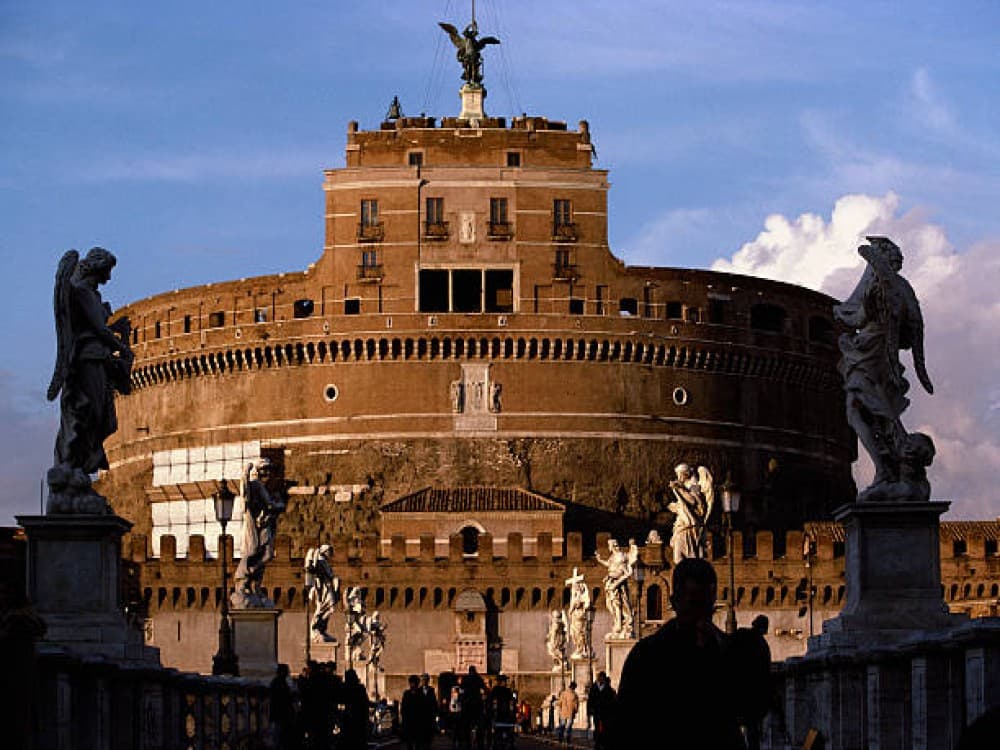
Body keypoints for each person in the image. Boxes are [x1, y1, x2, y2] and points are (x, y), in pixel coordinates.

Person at [616, 558, 742, 749]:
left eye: (707, 607)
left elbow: (747, 711)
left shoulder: (724, 649)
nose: (701, 615)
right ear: (674, 602)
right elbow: (626, 724)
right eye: (694, 605)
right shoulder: (647, 656)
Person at [234, 458, 286, 605]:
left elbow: (273, 504)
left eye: (269, 470)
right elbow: (247, 496)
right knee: (252, 551)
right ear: (258, 471)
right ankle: (245, 579)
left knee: (268, 554)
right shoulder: (256, 485)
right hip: (255, 526)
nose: (267, 473)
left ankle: (253, 579)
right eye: (264, 470)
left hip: (265, 526)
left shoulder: (267, 488)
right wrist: (245, 474)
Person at [731, 615, 773, 750]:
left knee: (746, 728)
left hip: (744, 691)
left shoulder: (743, 635)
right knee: (751, 729)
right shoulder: (762, 645)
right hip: (753, 693)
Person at [594, 540, 633, 638]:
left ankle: (619, 624)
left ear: (613, 546)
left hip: (616, 583)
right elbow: (610, 565)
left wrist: (616, 583)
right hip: (610, 582)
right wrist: (599, 560)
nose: (608, 548)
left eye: (609, 546)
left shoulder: (620, 556)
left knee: (617, 603)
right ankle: (617, 622)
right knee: (610, 604)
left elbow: (626, 573)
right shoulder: (613, 557)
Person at [339, 668, 371, 750]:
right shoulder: (360, 688)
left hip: (349, 719)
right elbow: (365, 703)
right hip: (359, 720)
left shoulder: (344, 688)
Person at [402, 675, 434, 750]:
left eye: (414, 683)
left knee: (418, 743)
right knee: (409, 743)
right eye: (411, 683)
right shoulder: (407, 693)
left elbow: (424, 709)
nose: (413, 685)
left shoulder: (421, 694)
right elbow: (404, 708)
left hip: (418, 722)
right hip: (409, 721)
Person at [458, 665, 486, 750]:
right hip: (477, 705)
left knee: (466, 726)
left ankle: (467, 744)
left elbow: (461, 690)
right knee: (479, 726)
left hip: (467, 705)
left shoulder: (465, 679)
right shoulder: (478, 678)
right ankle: (480, 744)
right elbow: (484, 688)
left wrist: (461, 700)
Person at [587, 671, 617, 750]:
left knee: (605, 728)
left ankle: (603, 743)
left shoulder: (608, 689)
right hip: (596, 711)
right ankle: (598, 743)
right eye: (600, 678)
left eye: (602, 678)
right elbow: (590, 699)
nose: (601, 679)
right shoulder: (594, 687)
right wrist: (589, 710)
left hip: (605, 712)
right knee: (597, 727)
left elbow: (612, 701)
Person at [269, 663, 296, 749]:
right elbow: (284, 698)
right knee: (280, 739)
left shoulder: (277, 682)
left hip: (279, 715)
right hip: (281, 715)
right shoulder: (280, 683)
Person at [557, 681, 579, 745]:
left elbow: (560, 702)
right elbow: (576, 704)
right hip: (570, 712)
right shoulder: (574, 695)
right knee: (568, 727)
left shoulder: (563, 693)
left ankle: (560, 739)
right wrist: (575, 711)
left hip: (563, 712)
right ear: (574, 687)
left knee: (562, 726)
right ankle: (567, 739)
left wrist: (560, 710)